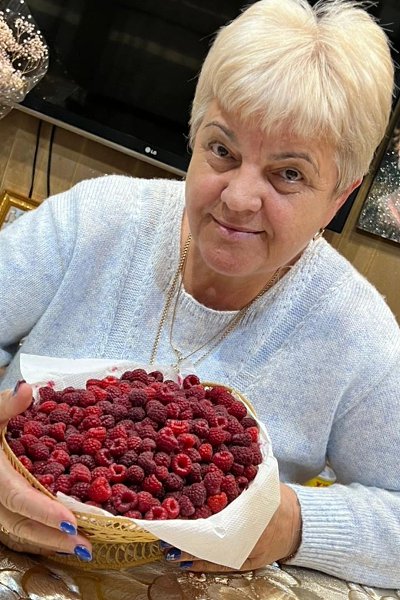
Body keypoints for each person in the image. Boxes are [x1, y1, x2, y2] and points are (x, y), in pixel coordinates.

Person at [0, 0, 399, 589]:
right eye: (222, 150)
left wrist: (292, 522)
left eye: (289, 174)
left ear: (339, 197)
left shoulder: (357, 333)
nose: (238, 197)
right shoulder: (96, 218)